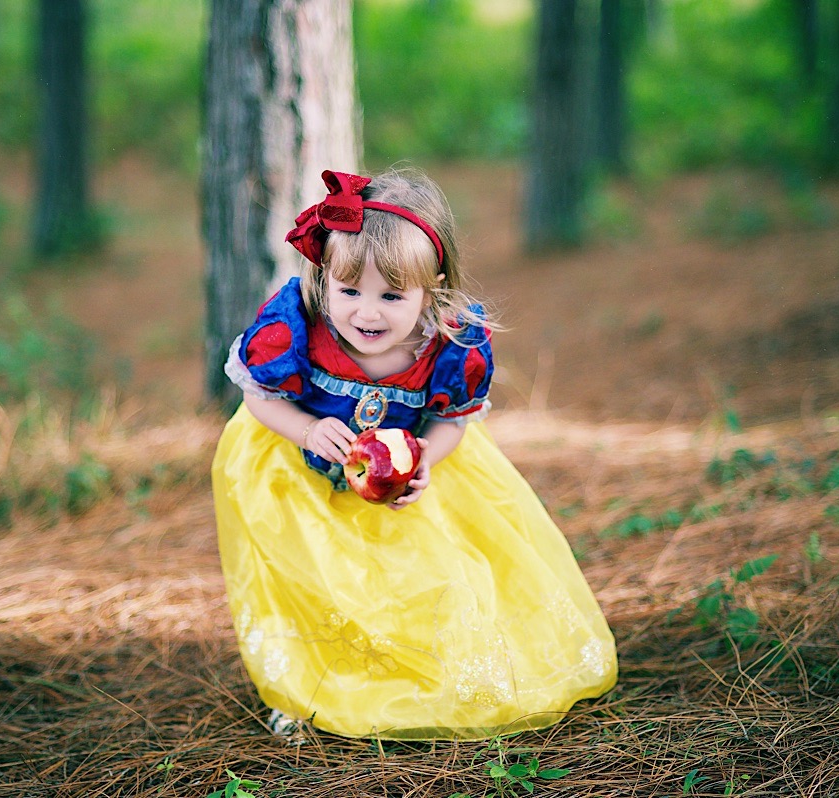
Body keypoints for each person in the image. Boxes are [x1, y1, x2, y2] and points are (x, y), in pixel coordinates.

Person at [212, 167, 617, 741]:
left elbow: (452, 419)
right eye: (349, 291)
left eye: (392, 296)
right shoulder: (298, 320)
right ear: (324, 277)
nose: (367, 313)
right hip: (298, 475)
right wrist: (305, 429)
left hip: (401, 480)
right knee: (306, 579)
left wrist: (429, 456)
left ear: (433, 287)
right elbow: (259, 396)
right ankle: (300, 690)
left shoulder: (450, 341)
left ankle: (414, 676)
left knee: (424, 581)